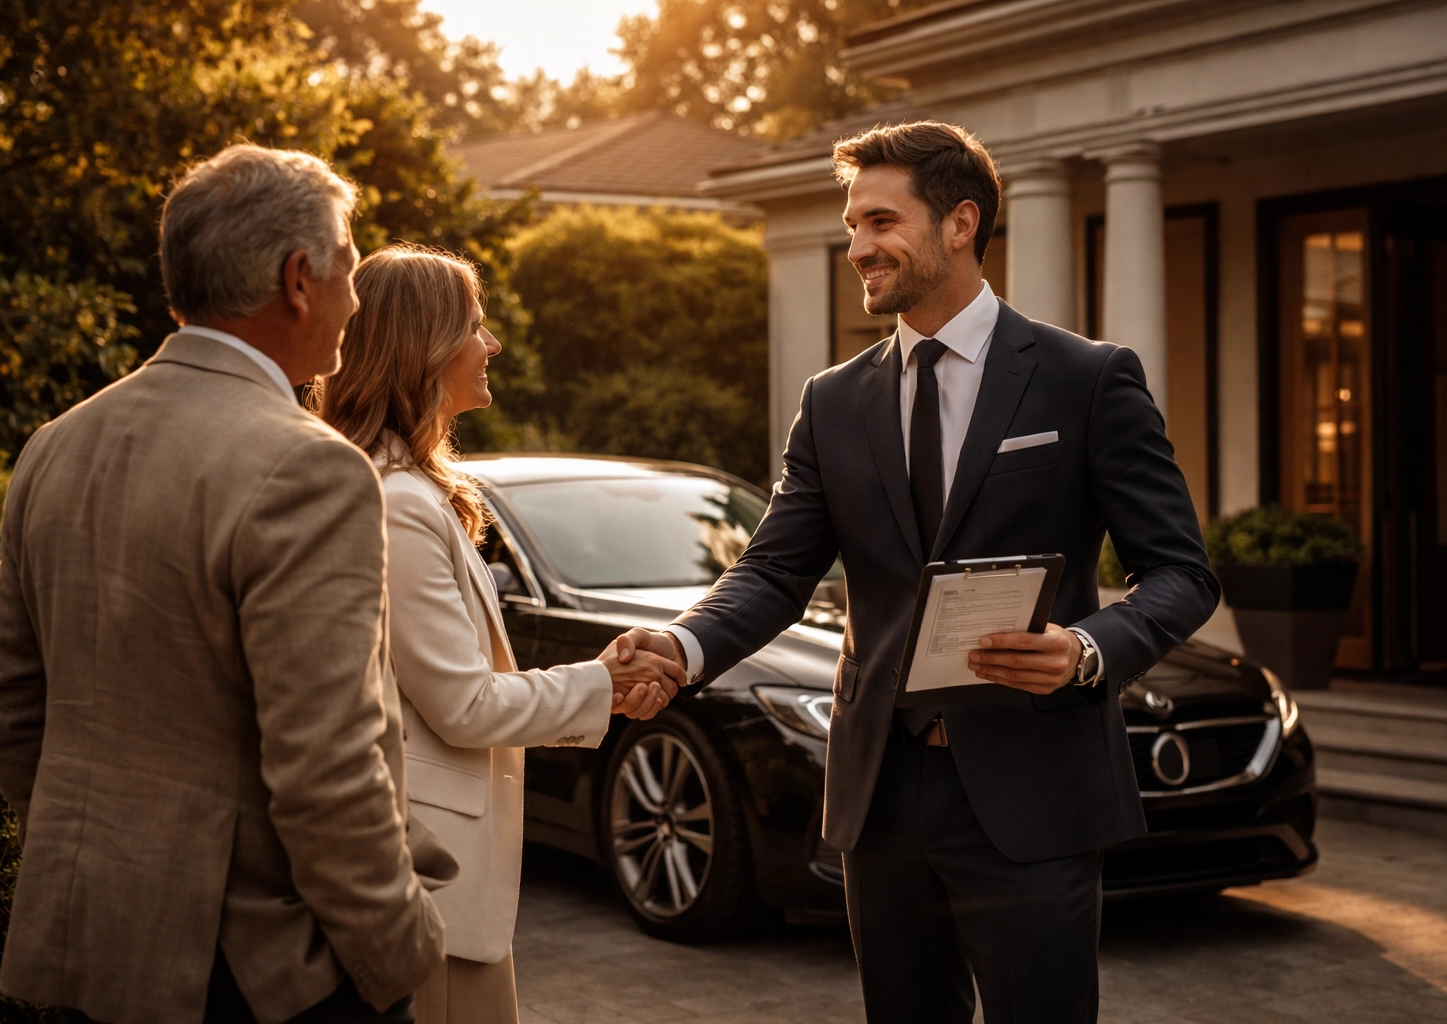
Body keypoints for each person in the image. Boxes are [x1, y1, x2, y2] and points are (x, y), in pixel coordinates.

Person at [621, 122, 1219, 1024]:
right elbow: (774, 570)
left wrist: (1088, 650)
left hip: (1034, 793)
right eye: (852, 224)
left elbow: (1180, 571)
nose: (857, 247)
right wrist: (682, 642)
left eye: (880, 221)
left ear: (959, 222)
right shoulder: (832, 401)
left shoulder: (1085, 380)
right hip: (881, 794)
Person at [0, 144, 454, 1024]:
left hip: (86, 948)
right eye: (349, 267)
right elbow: (327, 770)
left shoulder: (55, 443)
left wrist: (100, 865)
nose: (357, 297)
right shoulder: (310, 468)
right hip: (256, 976)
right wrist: (398, 954)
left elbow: (11, 708)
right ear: (299, 280)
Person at [315, 243, 684, 1023]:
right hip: (434, 882)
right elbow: (463, 705)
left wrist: (598, 682)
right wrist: (602, 684)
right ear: (422, 346)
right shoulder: (398, 502)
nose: (493, 345)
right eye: (475, 326)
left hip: (445, 877)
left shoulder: (405, 486)